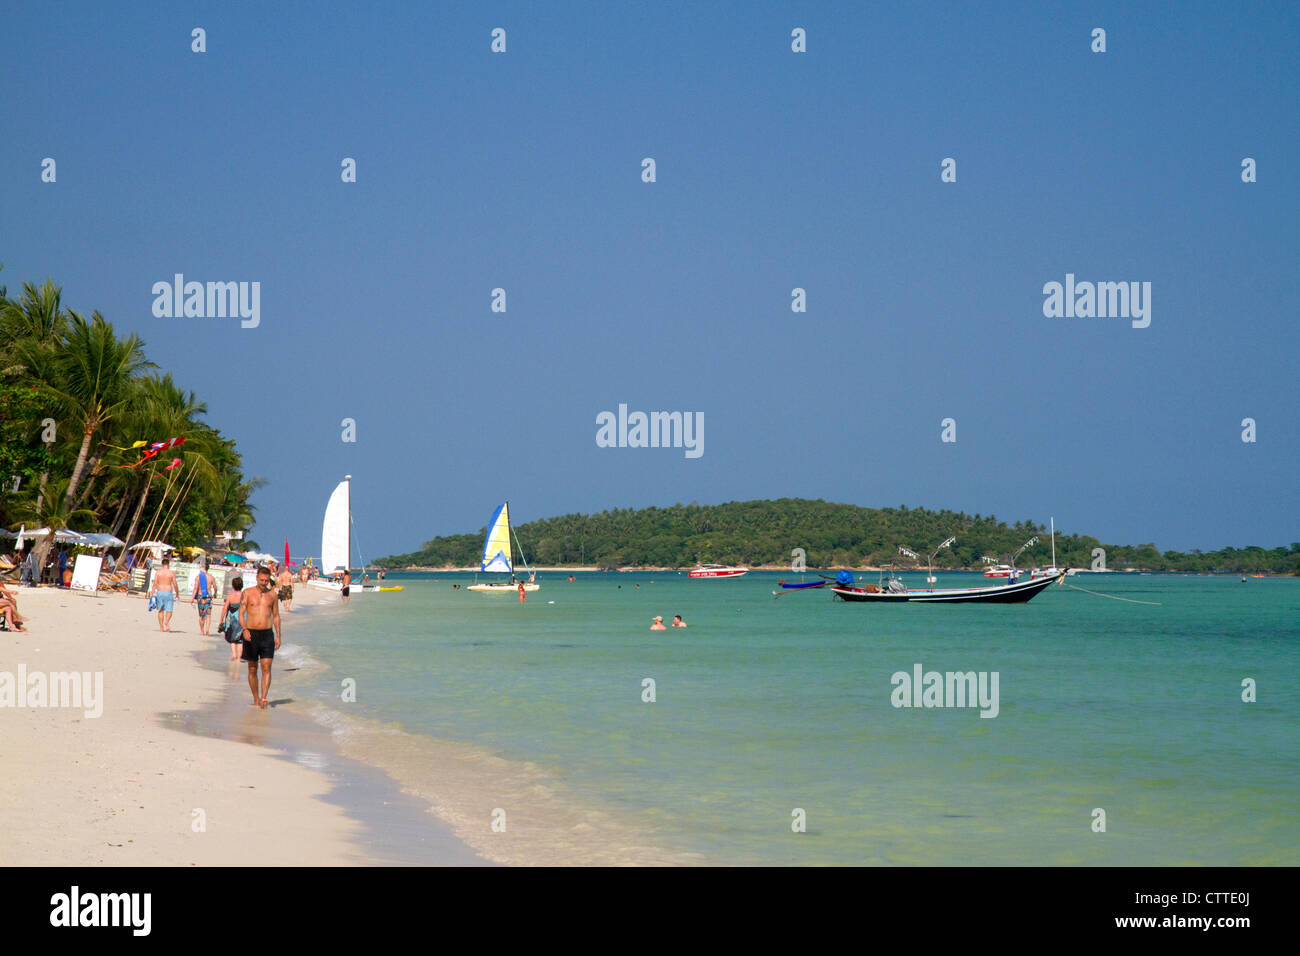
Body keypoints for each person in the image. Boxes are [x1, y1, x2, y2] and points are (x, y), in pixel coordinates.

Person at [238, 566, 281, 708]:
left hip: (267, 634)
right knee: (252, 668)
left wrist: (278, 635)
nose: (264, 583)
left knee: (266, 667)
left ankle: (264, 697)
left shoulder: (273, 595)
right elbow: (241, 613)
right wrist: (244, 629)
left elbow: (276, 616)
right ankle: (256, 697)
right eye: (262, 580)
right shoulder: (247, 593)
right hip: (251, 633)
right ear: (257, 578)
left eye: (266, 581)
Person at [217, 575, 245, 661]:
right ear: (242, 585)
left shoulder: (229, 596)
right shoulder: (244, 595)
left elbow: (225, 608)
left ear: (233, 586)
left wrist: (221, 620)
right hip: (241, 617)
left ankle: (234, 654)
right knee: (240, 639)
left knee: (232, 638)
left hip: (231, 618)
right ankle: (239, 657)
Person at [150, 556, 180, 632]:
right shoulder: (171, 573)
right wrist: (177, 593)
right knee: (169, 610)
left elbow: (155, 583)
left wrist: (152, 593)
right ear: (168, 564)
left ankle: (161, 628)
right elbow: (175, 584)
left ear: (162, 564)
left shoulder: (158, 573)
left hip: (160, 592)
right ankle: (166, 622)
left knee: (160, 610)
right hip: (168, 591)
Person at [191, 564, 215, 636]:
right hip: (208, 596)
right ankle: (207, 629)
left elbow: (195, 588)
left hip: (201, 596)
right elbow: (215, 587)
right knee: (208, 614)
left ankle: (202, 631)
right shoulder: (211, 577)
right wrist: (215, 593)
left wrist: (192, 598)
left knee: (201, 615)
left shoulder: (198, 577)